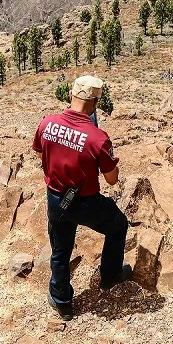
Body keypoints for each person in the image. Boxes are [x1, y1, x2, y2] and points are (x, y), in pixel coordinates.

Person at [33, 75, 131, 320]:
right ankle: (110, 275)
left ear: (70, 95)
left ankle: (62, 301)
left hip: (55, 197)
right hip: (86, 202)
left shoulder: (47, 123)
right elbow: (111, 179)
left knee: (60, 249)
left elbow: (39, 153)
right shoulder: (98, 138)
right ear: (96, 102)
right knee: (118, 226)